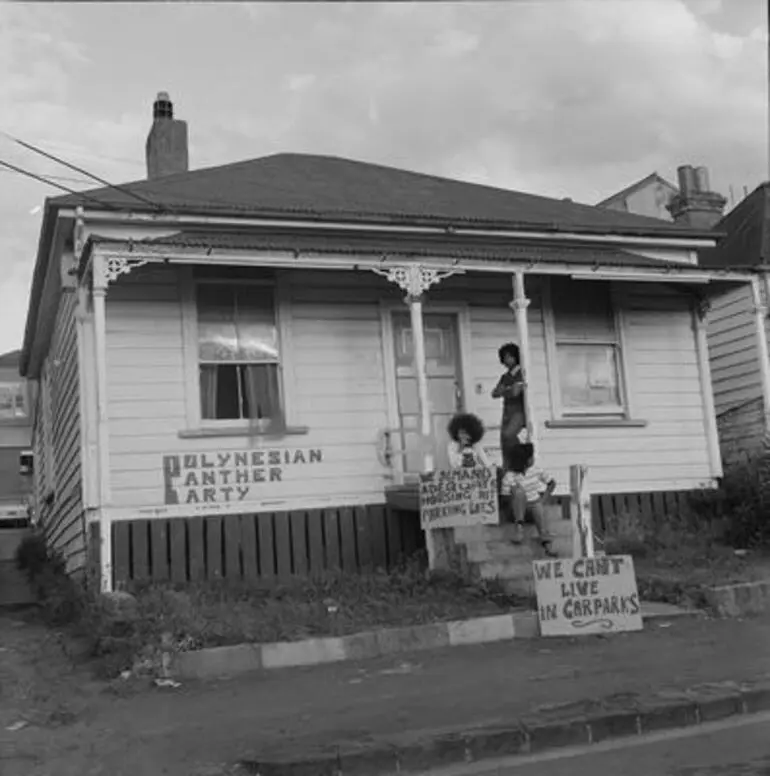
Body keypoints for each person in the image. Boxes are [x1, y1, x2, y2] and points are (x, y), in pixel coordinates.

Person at [500, 441, 557, 557]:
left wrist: (543, 500)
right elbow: (505, 498)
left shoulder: (536, 470)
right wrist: (514, 494)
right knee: (520, 492)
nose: (533, 458)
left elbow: (551, 483)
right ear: (525, 460)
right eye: (531, 457)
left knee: (538, 508)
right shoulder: (509, 476)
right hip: (517, 510)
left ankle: (547, 545)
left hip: (534, 506)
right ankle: (519, 528)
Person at [491, 343, 527, 451]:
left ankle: (523, 455)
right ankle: (508, 465)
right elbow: (494, 393)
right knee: (504, 441)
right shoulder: (505, 376)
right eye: (504, 357)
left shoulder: (521, 372)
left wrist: (504, 390)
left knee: (508, 434)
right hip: (507, 411)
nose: (506, 360)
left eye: (509, 357)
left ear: (515, 356)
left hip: (519, 410)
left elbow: (515, 392)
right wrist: (508, 390)